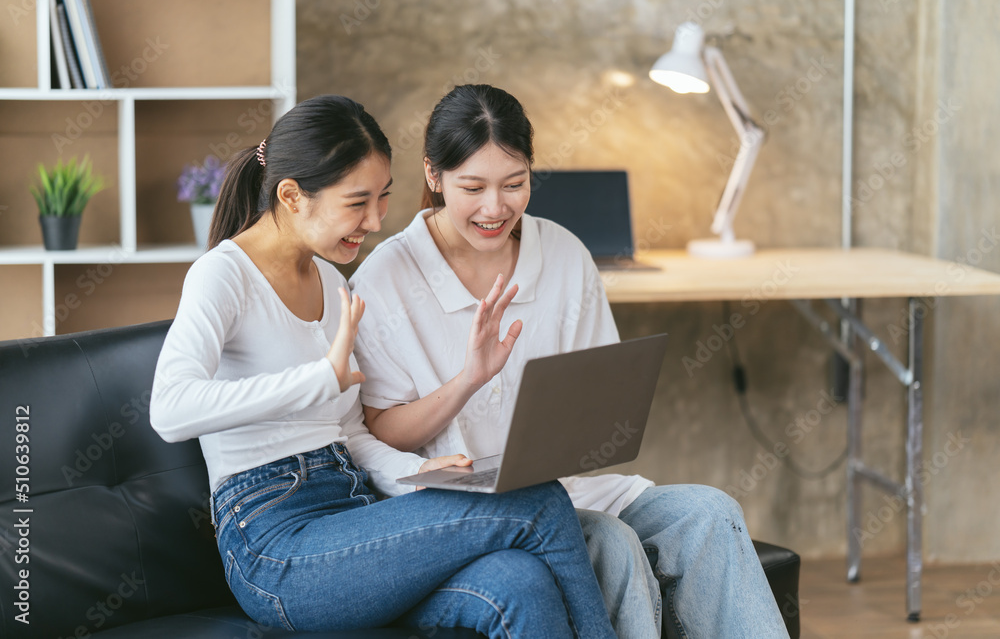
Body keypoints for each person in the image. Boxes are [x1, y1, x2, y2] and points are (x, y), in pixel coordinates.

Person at [148, 94, 616, 638]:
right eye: (357, 203)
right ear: (292, 196)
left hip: (353, 510)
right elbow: (170, 409)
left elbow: (349, 434)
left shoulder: (330, 282)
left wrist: (425, 475)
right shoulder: (222, 276)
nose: (375, 221)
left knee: (520, 581)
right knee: (537, 500)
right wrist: (318, 379)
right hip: (275, 547)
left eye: (383, 199)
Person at [349, 84, 791, 639]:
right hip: (463, 508)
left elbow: (598, 405)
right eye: (472, 187)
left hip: (567, 488)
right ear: (434, 176)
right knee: (613, 543)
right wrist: (468, 382)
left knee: (709, 511)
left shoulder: (562, 254)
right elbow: (382, 431)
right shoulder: (387, 278)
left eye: (514, 184)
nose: (495, 208)